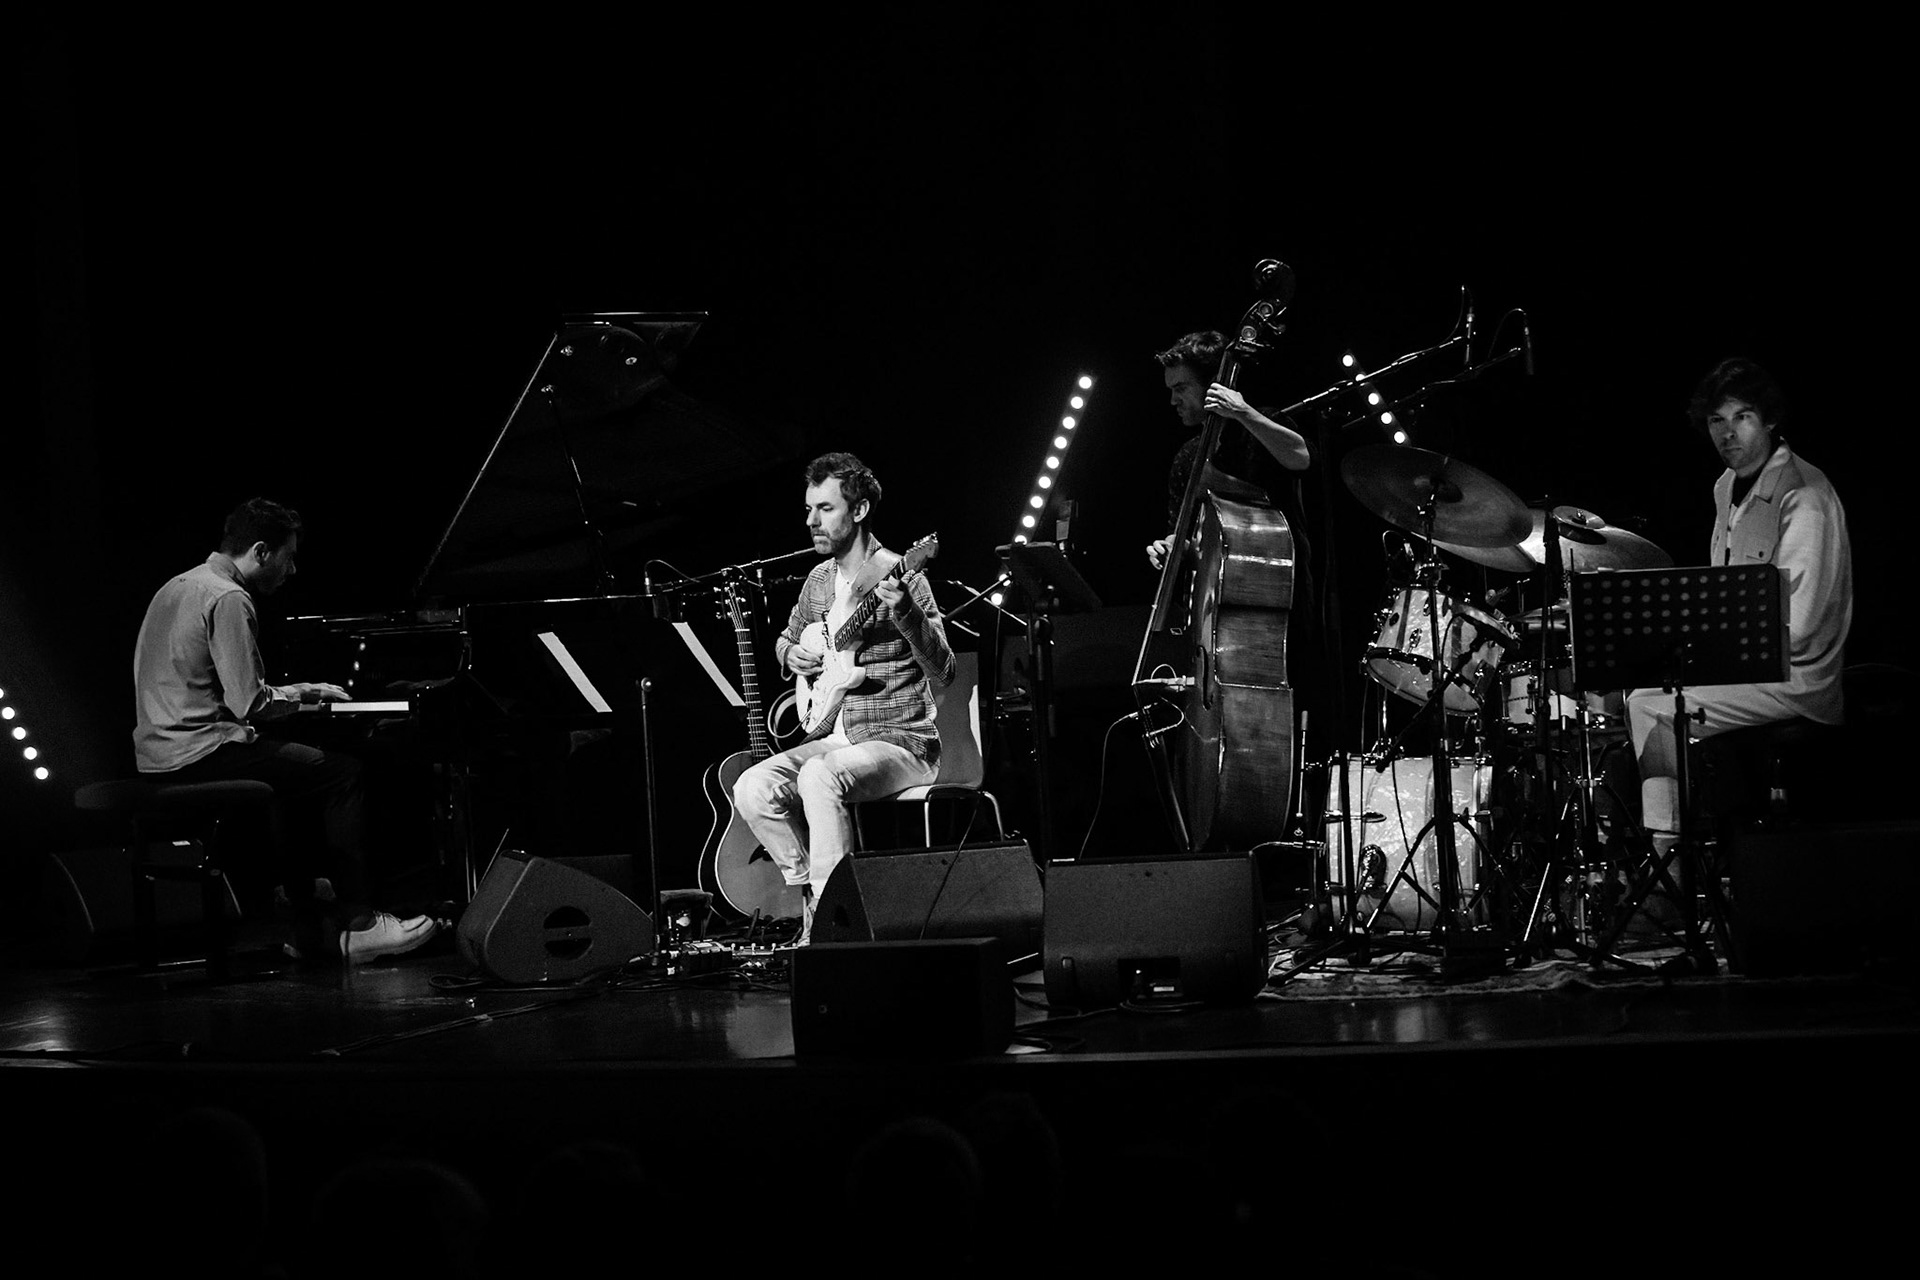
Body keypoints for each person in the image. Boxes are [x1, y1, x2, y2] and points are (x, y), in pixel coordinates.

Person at [131, 497, 438, 963]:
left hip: (157, 751)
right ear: (261, 551)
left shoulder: (177, 585)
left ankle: (307, 922)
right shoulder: (229, 597)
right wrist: (303, 695)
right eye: (288, 557)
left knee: (291, 778)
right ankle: (360, 923)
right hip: (200, 750)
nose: (292, 570)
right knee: (343, 773)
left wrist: (298, 691)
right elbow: (250, 703)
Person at [1624, 357, 1853, 852]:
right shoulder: (1726, 486)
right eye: (1717, 420)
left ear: (1769, 420)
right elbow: (1726, 591)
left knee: (1649, 705)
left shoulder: (1803, 496)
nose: (1728, 434)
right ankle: (1685, 842)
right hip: (1749, 662)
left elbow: (1800, 628)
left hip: (1797, 678)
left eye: (1742, 417)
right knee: (1631, 685)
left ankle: (1669, 859)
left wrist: (1712, 653)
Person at [731, 453, 955, 943]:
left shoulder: (905, 576)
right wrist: (791, 655)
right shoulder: (817, 582)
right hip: (837, 736)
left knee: (818, 775)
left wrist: (908, 614)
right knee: (752, 786)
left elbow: (945, 669)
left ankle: (838, 928)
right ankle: (815, 898)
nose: (811, 521)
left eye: (825, 509)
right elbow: (788, 638)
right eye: (809, 508)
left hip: (902, 742)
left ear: (859, 511)